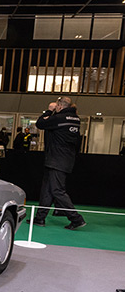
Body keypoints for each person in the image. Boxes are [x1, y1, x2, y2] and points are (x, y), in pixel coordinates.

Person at [30, 96, 86, 230]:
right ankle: (40, 218)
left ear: (59, 106)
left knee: (57, 190)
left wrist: (49, 111)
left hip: (56, 160)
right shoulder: (75, 119)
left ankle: (76, 219)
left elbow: (40, 124)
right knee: (47, 190)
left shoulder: (58, 118)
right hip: (64, 159)